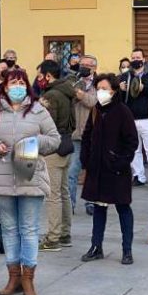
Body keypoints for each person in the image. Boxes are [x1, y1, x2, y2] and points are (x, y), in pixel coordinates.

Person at [0, 68, 59, 295]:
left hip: (30, 177)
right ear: (5, 85)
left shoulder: (38, 109)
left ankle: (28, 278)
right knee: (9, 229)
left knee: (30, 230)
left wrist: (34, 142)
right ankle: (13, 276)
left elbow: (54, 139)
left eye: (22, 82)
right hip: (2, 177)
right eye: (13, 82)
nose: (18, 86)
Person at [80, 73, 139, 265]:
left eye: (105, 89)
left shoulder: (123, 111)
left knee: (123, 207)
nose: (101, 92)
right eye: (99, 89)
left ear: (113, 91)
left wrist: (120, 161)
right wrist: (86, 159)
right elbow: (87, 135)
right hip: (97, 168)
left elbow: (132, 142)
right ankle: (96, 246)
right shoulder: (96, 110)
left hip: (116, 169)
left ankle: (127, 250)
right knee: (98, 207)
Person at [37, 59, 75, 252]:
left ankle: (53, 238)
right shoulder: (67, 91)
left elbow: (45, 123)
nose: (38, 79)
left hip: (53, 146)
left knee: (53, 195)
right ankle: (65, 233)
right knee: (63, 191)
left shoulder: (51, 95)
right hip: (67, 143)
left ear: (48, 75)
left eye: (40, 75)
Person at [120, 48, 148, 186]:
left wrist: (144, 88)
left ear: (144, 59)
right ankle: (138, 176)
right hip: (130, 118)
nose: (135, 60)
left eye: (138, 57)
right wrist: (120, 89)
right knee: (134, 149)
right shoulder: (126, 75)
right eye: (133, 57)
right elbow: (119, 98)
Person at [66, 55, 98, 215]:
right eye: (81, 65)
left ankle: (91, 202)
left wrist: (82, 95)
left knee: (92, 171)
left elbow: (96, 102)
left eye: (87, 65)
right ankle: (70, 203)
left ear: (94, 68)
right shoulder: (73, 81)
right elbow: (66, 100)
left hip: (93, 135)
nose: (83, 67)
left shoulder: (101, 83)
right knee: (72, 171)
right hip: (76, 135)